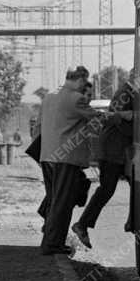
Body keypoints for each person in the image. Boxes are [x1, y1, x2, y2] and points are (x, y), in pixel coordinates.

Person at [38, 66, 102, 256]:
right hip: (65, 158)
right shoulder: (76, 98)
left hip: (47, 156)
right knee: (62, 203)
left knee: (53, 200)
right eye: (84, 81)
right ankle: (53, 245)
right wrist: (119, 116)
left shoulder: (50, 96)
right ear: (80, 79)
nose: (84, 85)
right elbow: (96, 116)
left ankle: (48, 239)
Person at [72, 72, 135, 249]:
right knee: (107, 188)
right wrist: (137, 123)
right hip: (112, 150)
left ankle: (132, 221)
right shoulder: (125, 93)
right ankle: (82, 225)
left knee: (132, 186)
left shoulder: (128, 92)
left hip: (117, 151)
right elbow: (115, 120)